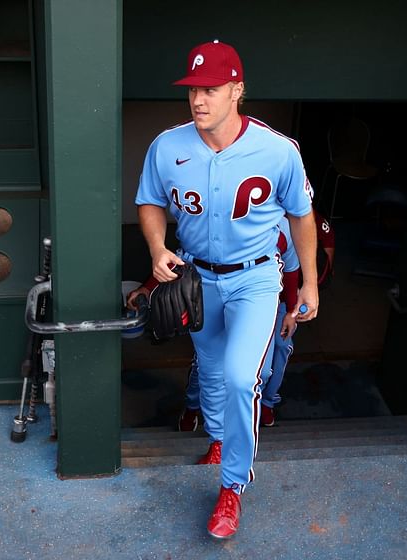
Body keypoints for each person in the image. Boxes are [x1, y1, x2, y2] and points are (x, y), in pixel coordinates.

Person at [133, 40, 319, 539]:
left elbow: (303, 217)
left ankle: (232, 486)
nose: (199, 100)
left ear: (237, 90)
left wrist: (311, 285)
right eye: (193, 90)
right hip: (198, 277)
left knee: (241, 378)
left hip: (258, 278)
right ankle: (217, 437)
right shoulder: (167, 146)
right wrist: (156, 249)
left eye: (211, 89)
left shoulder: (278, 150)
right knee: (212, 370)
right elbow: (149, 202)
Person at [171, 209, 335, 430]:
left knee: (270, 361)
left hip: (268, 301)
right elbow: (183, 258)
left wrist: (291, 310)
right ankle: (192, 407)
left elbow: (298, 270)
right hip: (220, 294)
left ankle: (265, 403)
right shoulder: (219, 219)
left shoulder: (286, 225)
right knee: (208, 362)